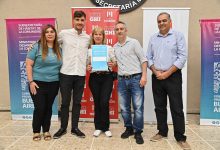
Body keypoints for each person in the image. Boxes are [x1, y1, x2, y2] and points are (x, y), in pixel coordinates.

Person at [146, 12, 191, 150]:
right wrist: (155, 71)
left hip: (173, 76)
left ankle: (180, 137)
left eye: (164, 21)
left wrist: (167, 73)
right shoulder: (153, 38)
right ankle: (162, 132)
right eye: (159, 21)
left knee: (176, 107)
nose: (161, 23)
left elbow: (182, 57)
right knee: (159, 107)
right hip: (157, 76)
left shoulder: (178, 36)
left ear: (170, 22)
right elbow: (149, 57)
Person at [53, 10, 90, 139]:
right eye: (77, 20)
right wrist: (35, 45)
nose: (80, 22)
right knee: (65, 103)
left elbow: (91, 54)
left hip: (80, 74)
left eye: (82, 20)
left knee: (77, 103)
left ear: (85, 21)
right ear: (73, 21)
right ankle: (63, 128)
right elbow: (50, 41)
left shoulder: (87, 38)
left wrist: (89, 64)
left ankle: (74, 128)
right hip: (66, 73)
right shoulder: (64, 34)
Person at [26, 24, 62, 141]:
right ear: (44, 34)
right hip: (37, 83)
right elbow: (28, 65)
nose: (50, 34)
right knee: (40, 107)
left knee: (48, 108)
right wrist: (31, 81)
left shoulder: (59, 49)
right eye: (47, 32)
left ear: (55, 34)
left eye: (52, 31)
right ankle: (36, 131)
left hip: (54, 83)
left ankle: (46, 130)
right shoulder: (36, 47)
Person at [114, 21, 147, 144]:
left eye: (122, 28)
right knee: (124, 107)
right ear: (115, 32)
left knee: (138, 107)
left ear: (126, 30)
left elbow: (143, 60)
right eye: (117, 29)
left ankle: (138, 132)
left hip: (136, 78)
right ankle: (129, 128)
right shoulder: (115, 47)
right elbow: (116, 63)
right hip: (122, 80)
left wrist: (144, 76)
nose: (119, 31)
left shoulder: (134, 43)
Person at [87, 27, 117, 137]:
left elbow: (115, 62)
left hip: (107, 78)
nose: (98, 36)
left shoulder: (108, 48)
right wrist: (88, 67)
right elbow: (87, 64)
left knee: (104, 102)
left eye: (100, 34)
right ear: (93, 36)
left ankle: (106, 127)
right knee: (97, 102)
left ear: (103, 36)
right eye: (96, 34)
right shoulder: (89, 50)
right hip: (94, 78)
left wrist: (112, 64)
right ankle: (98, 127)